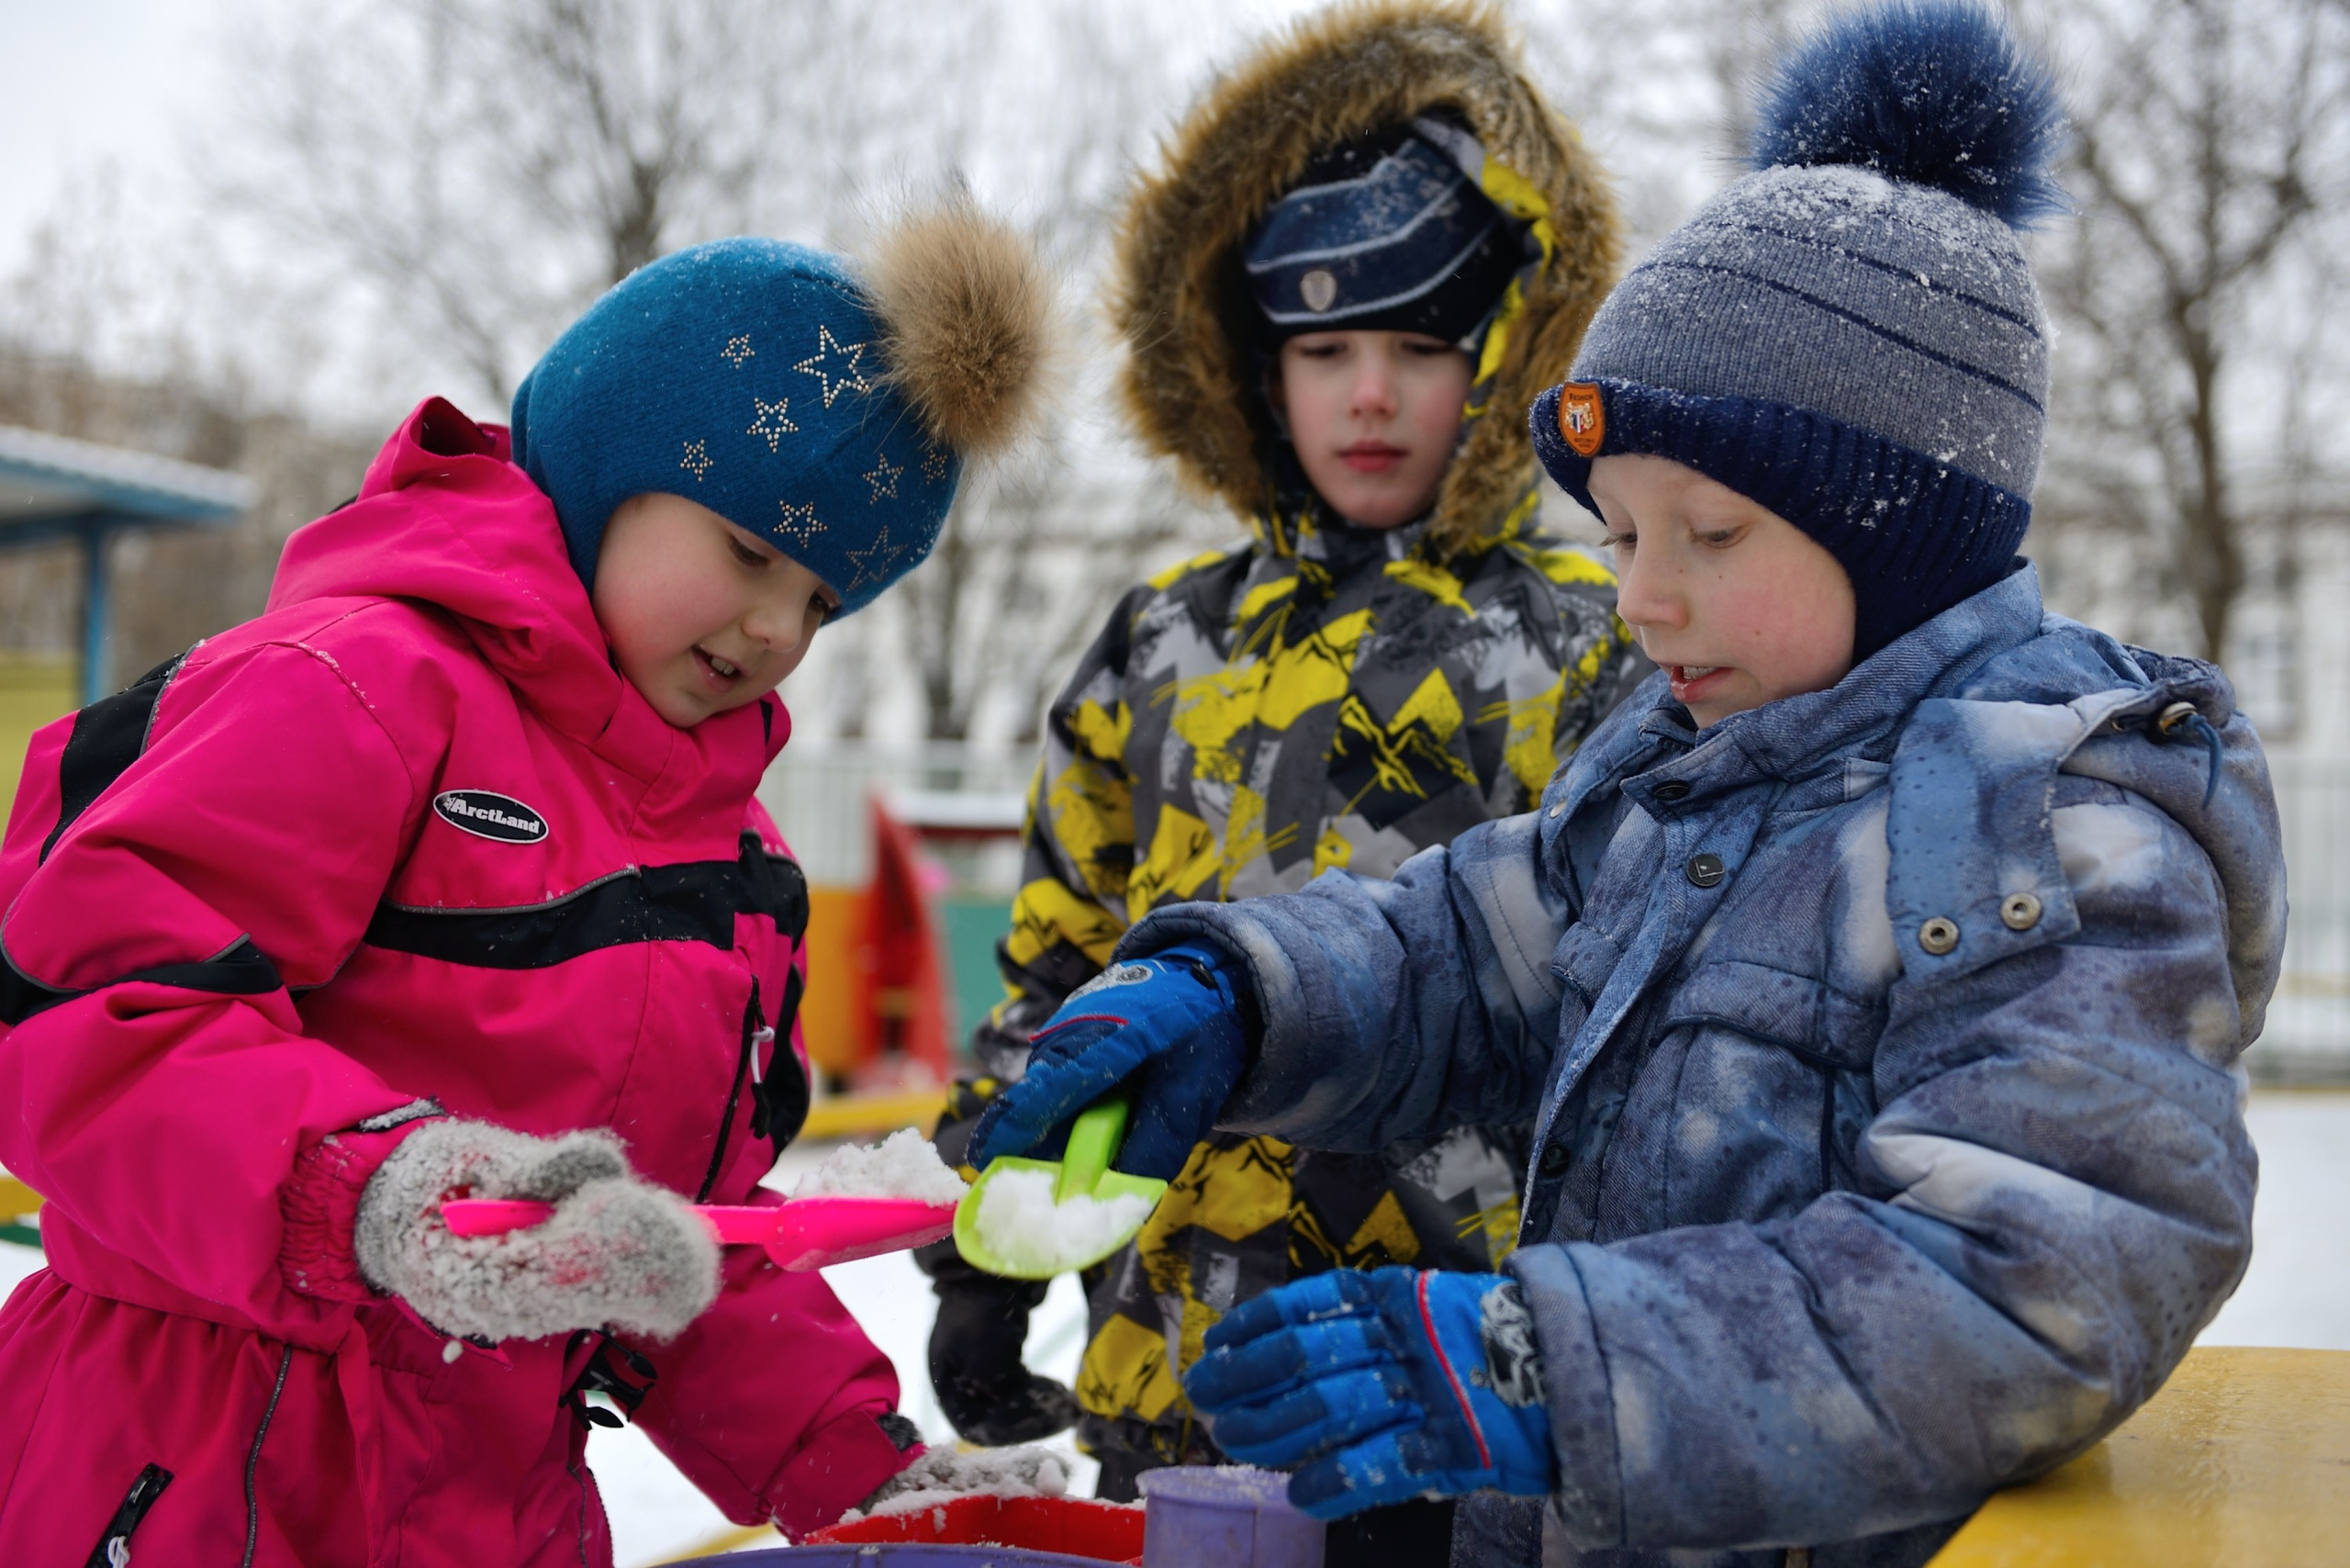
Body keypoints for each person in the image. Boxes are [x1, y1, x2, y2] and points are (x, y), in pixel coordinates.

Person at [967, 6, 2288, 1566]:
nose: (1645, 599)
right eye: (1620, 538)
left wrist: (1552, 1369)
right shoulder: (1689, 772)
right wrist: (1237, 1000)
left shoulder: (2051, 829)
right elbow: (1462, 949)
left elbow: (2031, 1281)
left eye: (1707, 536)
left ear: (1897, 528)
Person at [0, 203, 1057, 1564]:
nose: (776, 629)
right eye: (749, 552)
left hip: (501, 1508)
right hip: (205, 1471)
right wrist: (378, 1194)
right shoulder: (357, 690)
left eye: (824, 599)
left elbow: (685, 1250)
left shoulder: (731, 869)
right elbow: (86, 1007)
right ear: (611, 465)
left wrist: (854, 1468)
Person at [917, 5, 1639, 1562]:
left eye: (1419, 349)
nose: (1369, 395)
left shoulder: (1588, 642)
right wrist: (989, 1250)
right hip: (1174, 1342)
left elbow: (1610, 995)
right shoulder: (1160, 641)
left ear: (1509, 354)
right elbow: (1060, 950)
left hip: (1445, 1363)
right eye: (1324, 351)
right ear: (1255, 370)